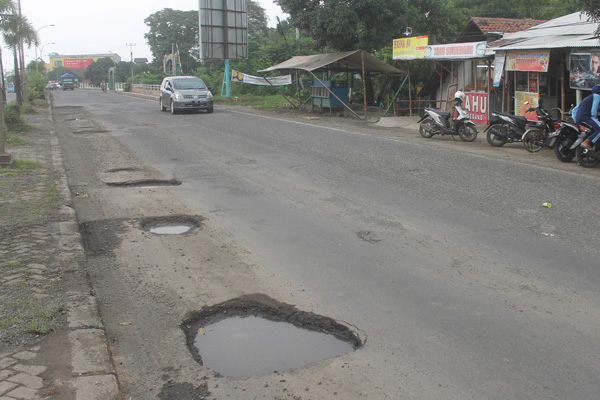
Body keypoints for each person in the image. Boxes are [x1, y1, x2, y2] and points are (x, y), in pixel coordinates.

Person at [572, 84, 600, 149]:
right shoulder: (597, 96)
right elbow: (593, 111)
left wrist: (576, 120)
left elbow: (574, 110)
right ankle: (587, 142)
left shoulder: (587, 98)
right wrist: (595, 119)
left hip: (579, 118)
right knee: (599, 128)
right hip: (586, 117)